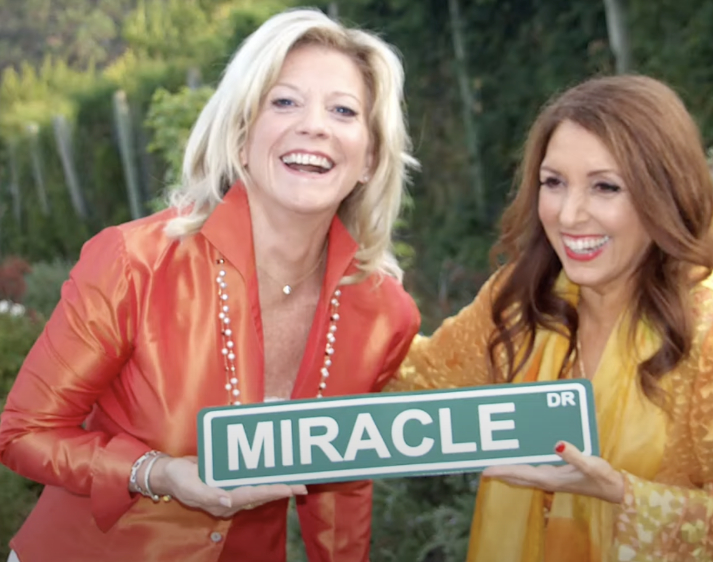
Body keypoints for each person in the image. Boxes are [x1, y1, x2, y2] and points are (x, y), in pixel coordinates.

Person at [0, 8, 420, 562]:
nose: (314, 125)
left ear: (369, 157)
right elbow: (24, 432)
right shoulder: (135, 263)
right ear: (242, 137)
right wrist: (160, 473)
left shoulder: (386, 315)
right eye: (285, 101)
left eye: (343, 110)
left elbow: (340, 485)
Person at [388, 75, 713, 561]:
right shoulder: (525, 295)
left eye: (605, 187)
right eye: (553, 183)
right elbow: (417, 383)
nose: (569, 215)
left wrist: (622, 495)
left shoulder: (709, 318)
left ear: (661, 193)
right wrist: (351, 297)